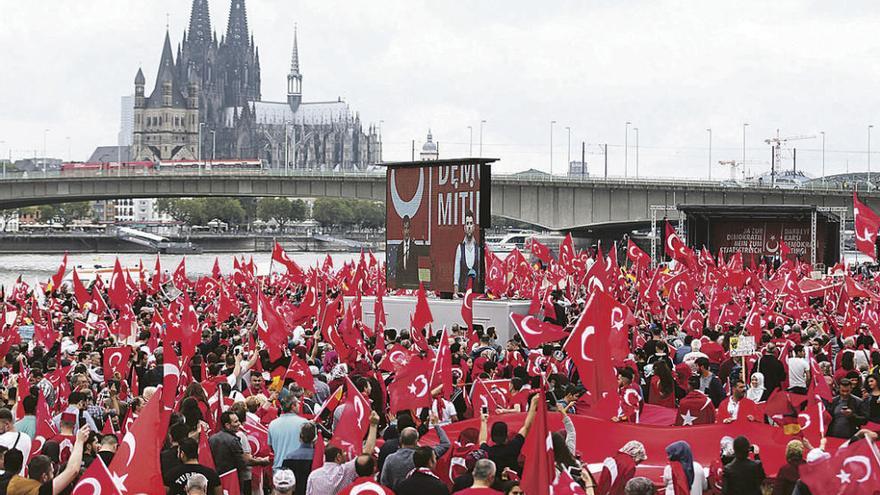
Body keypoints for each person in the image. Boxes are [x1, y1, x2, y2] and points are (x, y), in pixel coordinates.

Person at [306, 411, 380, 495]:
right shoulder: (345, 471)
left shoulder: (313, 476)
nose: (346, 454)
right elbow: (367, 452)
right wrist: (373, 425)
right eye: (344, 452)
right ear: (338, 457)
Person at [4, 425, 89, 495]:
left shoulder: (14, 484)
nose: (54, 475)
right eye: (51, 472)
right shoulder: (41, 491)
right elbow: (73, 471)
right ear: (44, 477)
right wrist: (79, 441)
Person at [380, 413, 451, 490]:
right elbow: (445, 444)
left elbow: (384, 482)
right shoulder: (424, 455)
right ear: (416, 441)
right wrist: (436, 425)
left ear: (400, 440)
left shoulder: (390, 459)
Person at [477, 394, 540, 476]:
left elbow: (482, 440)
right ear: (506, 436)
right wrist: (533, 404)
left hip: (496, 484)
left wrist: (483, 421)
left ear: (492, 437)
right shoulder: (513, 447)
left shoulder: (488, 452)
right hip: (514, 483)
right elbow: (526, 427)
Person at [268, 395, 308, 471]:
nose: (299, 405)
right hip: (298, 469)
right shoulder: (304, 423)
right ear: (293, 406)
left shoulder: (272, 424)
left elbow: (271, 448)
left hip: (278, 469)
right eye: (298, 403)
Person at [209, 411, 247, 489]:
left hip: (216, 480)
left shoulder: (211, 439)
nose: (239, 423)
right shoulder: (233, 441)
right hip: (233, 481)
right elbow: (241, 463)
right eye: (236, 421)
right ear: (227, 425)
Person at [453, 210, 483, 296]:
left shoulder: (478, 248)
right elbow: (456, 273)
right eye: (467, 223)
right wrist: (456, 292)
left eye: (471, 223)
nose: (469, 226)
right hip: (463, 292)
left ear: (474, 227)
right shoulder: (460, 248)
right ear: (464, 227)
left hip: (475, 292)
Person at [395, 215, 428, 288]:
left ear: (410, 230)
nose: (406, 232)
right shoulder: (399, 247)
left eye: (408, 229)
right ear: (402, 231)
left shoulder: (414, 247)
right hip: (401, 282)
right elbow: (398, 268)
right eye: (405, 229)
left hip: (412, 282)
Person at [0, 408, 32, 474]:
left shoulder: (2, 439)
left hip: (4, 480)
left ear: (7, 424)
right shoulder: (27, 438)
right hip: (20, 479)